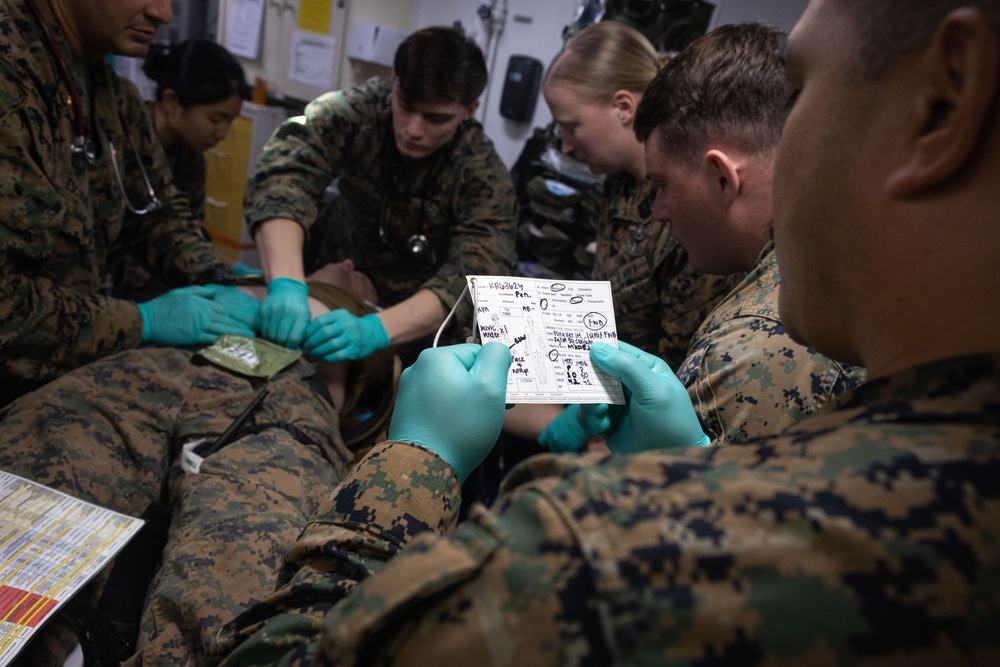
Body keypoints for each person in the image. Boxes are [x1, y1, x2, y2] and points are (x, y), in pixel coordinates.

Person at [207, 4, 1000, 663]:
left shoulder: (592, 554)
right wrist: (695, 466)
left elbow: (282, 653)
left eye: (801, 86)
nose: (782, 142)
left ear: (943, 99)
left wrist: (416, 460)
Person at [0, 260, 397, 667]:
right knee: (32, 498)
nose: (347, 260)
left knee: (242, 560)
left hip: (282, 399)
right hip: (153, 369)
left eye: (360, 270)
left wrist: (376, 324)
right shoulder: (245, 278)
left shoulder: (370, 329)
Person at [526, 21, 863, 452]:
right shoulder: (815, 255)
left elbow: (685, 507)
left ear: (722, 179)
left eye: (663, 187)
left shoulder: (751, 346)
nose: (659, 210)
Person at [0, 0, 252, 408]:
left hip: (60, 375)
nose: (164, 14)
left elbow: (159, 215)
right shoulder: (13, 73)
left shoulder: (111, 95)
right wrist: (140, 321)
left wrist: (216, 279)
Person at [504, 20, 738, 452]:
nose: (566, 145)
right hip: (602, 398)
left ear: (624, 107)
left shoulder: (686, 209)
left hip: (648, 429)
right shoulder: (618, 183)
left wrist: (603, 437)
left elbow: (681, 370)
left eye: (572, 126)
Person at [245, 25, 518, 363]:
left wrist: (377, 329)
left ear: (470, 108)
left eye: (436, 118)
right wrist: (286, 284)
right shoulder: (352, 114)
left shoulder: (481, 173)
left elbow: (478, 273)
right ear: (394, 80)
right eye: (405, 106)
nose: (413, 130)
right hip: (341, 282)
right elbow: (283, 178)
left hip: (418, 322)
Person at [143, 38, 248, 222]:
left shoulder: (190, 159)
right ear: (172, 102)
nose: (222, 134)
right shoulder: (123, 141)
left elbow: (188, 227)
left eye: (230, 122)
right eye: (215, 119)